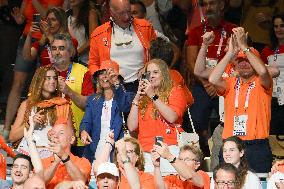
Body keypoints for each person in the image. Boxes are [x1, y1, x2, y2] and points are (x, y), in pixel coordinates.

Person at [209, 27, 273, 172]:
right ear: (235, 65)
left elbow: (263, 70)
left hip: (256, 146)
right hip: (231, 145)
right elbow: (212, 79)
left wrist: (244, 46)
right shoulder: (230, 83)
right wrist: (230, 53)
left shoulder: (262, 82)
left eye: (247, 60)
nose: (243, 63)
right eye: (239, 61)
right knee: (227, 184)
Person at [2, 0, 64, 142]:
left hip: (59, 83)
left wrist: (47, 34)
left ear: (61, 22)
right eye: (47, 21)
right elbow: (27, 56)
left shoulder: (66, 40)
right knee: (24, 94)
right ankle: (9, 130)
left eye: (52, 20)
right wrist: (29, 35)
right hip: (44, 79)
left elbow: (60, 56)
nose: (48, 23)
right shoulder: (42, 41)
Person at [186, 0, 237, 156]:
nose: (208, 8)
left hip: (226, 85)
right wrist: (207, 84)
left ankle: (227, 153)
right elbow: (190, 61)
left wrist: (218, 84)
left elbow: (238, 60)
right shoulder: (196, 31)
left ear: (221, 5)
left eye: (212, 4)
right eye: (205, 5)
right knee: (194, 121)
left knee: (230, 122)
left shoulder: (233, 30)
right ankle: (203, 154)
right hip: (203, 85)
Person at [127, 58, 188, 173]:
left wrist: (152, 95)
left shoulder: (175, 91)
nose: (152, 76)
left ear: (164, 74)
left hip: (169, 149)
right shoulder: (142, 98)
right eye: (148, 73)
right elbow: (131, 126)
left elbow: (172, 117)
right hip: (146, 151)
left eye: (156, 72)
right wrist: (137, 98)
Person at [89, 0, 156, 92]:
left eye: (129, 11)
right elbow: (93, 63)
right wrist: (102, 78)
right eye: (121, 13)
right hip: (113, 87)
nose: (127, 17)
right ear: (111, 13)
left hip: (143, 83)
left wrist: (148, 68)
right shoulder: (98, 34)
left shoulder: (145, 27)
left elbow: (157, 55)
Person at [9, 66, 71, 158]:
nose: (53, 81)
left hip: (52, 156)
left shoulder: (62, 105)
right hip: (28, 154)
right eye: (48, 78)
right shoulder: (27, 105)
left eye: (55, 78)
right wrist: (31, 122)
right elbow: (12, 137)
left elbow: (70, 138)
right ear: (39, 81)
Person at [80, 60, 134, 163]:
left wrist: (117, 84)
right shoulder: (92, 99)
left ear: (116, 77)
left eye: (108, 72)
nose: (104, 76)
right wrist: (84, 131)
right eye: (101, 73)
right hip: (95, 148)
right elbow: (86, 121)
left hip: (117, 149)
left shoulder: (127, 96)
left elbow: (124, 107)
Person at [51, 33, 94, 156]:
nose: (57, 52)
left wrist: (69, 91)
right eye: (54, 49)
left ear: (71, 52)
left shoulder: (83, 71)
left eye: (61, 48)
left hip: (79, 138)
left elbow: (88, 104)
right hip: (52, 137)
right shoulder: (45, 72)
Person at [42, 119, 92, 189]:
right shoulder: (43, 163)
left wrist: (64, 156)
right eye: (53, 133)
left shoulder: (82, 162)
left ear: (71, 139)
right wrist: (55, 163)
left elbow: (81, 181)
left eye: (61, 133)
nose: (55, 136)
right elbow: (39, 183)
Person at [261, 14, 284, 136]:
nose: (279, 29)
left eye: (282, 26)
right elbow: (261, 73)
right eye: (276, 26)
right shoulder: (267, 50)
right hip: (274, 97)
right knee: (274, 132)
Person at [67, 0, 99, 66]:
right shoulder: (66, 14)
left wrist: (76, 53)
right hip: (71, 60)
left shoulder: (91, 14)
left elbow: (93, 40)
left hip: (87, 62)